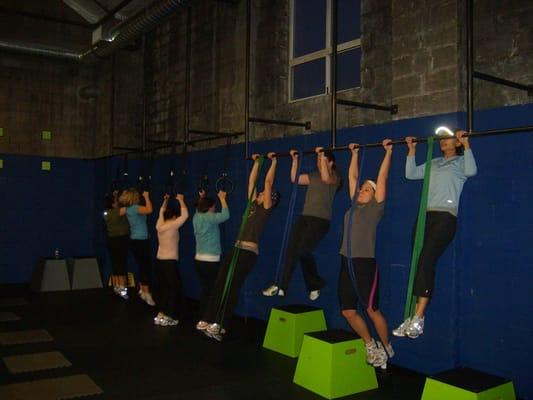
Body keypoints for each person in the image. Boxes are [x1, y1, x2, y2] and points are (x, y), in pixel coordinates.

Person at [393, 130, 477, 339]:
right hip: (425, 216)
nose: (443, 141)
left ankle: (419, 317)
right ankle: (411, 316)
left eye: (447, 138)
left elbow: (471, 170)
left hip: (445, 218)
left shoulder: (459, 163)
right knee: (417, 263)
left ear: (456, 143)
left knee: (426, 260)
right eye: (441, 139)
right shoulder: (435, 162)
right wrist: (411, 151)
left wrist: (467, 145)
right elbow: (411, 174)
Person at [203, 153, 279, 341]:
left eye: (263, 193)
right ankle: (209, 318)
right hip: (236, 249)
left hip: (248, 253)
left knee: (232, 286)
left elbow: (268, 183)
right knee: (221, 282)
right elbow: (251, 181)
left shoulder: (265, 209)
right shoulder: (252, 205)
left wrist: (273, 162)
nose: (260, 192)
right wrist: (257, 162)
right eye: (260, 192)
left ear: (270, 199)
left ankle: (220, 326)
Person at [339, 140, 394, 368]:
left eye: (366, 189)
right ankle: (370, 345)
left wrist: (388, 152)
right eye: (362, 189)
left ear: (374, 195)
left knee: (372, 310)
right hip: (346, 261)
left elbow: (382, 179)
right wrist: (354, 154)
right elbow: (352, 178)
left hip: (364, 264)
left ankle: (386, 347)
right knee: (348, 311)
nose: (362, 190)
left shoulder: (375, 209)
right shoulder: (353, 206)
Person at [263, 147, 340, 300]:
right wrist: (295, 160)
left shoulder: (335, 178)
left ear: (330, 163)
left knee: (304, 250)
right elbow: (295, 179)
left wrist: (322, 155)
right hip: (305, 217)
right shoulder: (313, 176)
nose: (318, 162)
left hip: (320, 220)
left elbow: (326, 178)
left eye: (322, 160)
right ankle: (281, 286)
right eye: (317, 160)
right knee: (291, 249)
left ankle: (315, 285)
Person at [193, 189, 230, 331]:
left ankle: (203, 318)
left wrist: (201, 197)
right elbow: (226, 215)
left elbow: (198, 209)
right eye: (214, 207)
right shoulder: (209, 217)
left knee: (205, 290)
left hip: (199, 259)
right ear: (209, 208)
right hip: (211, 260)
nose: (214, 209)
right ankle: (208, 320)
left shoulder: (196, 217)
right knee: (214, 290)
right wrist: (222, 198)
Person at [153, 194, 188, 326]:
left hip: (160, 261)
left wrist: (165, 200)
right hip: (169, 262)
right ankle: (169, 316)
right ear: (174, 216)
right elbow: (185, 215)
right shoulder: (173, 225)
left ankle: (162, 313)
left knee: (165, 288)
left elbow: (161, 211)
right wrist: (181, 200)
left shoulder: (160, 224)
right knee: (172, 289)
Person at [119, 189, 156, 306]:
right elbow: (149, 210)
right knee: (145, 266)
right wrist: (147, 197)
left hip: (136, 240)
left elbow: (120, 212)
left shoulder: (128, 209)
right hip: (140, 241)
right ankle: (146, 292)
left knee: (142, 265)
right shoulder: (135, 208)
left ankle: (142, 289)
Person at [103, 190, 130, 300]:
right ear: (113, 204)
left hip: (111, 240)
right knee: (122, 263)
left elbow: (118, 207)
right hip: (120, 240)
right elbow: (129, 208)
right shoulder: (118, 212)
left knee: (115, 264)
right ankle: (123, 289)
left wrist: (114, 196)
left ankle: (118, 286)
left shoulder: (107, 214)